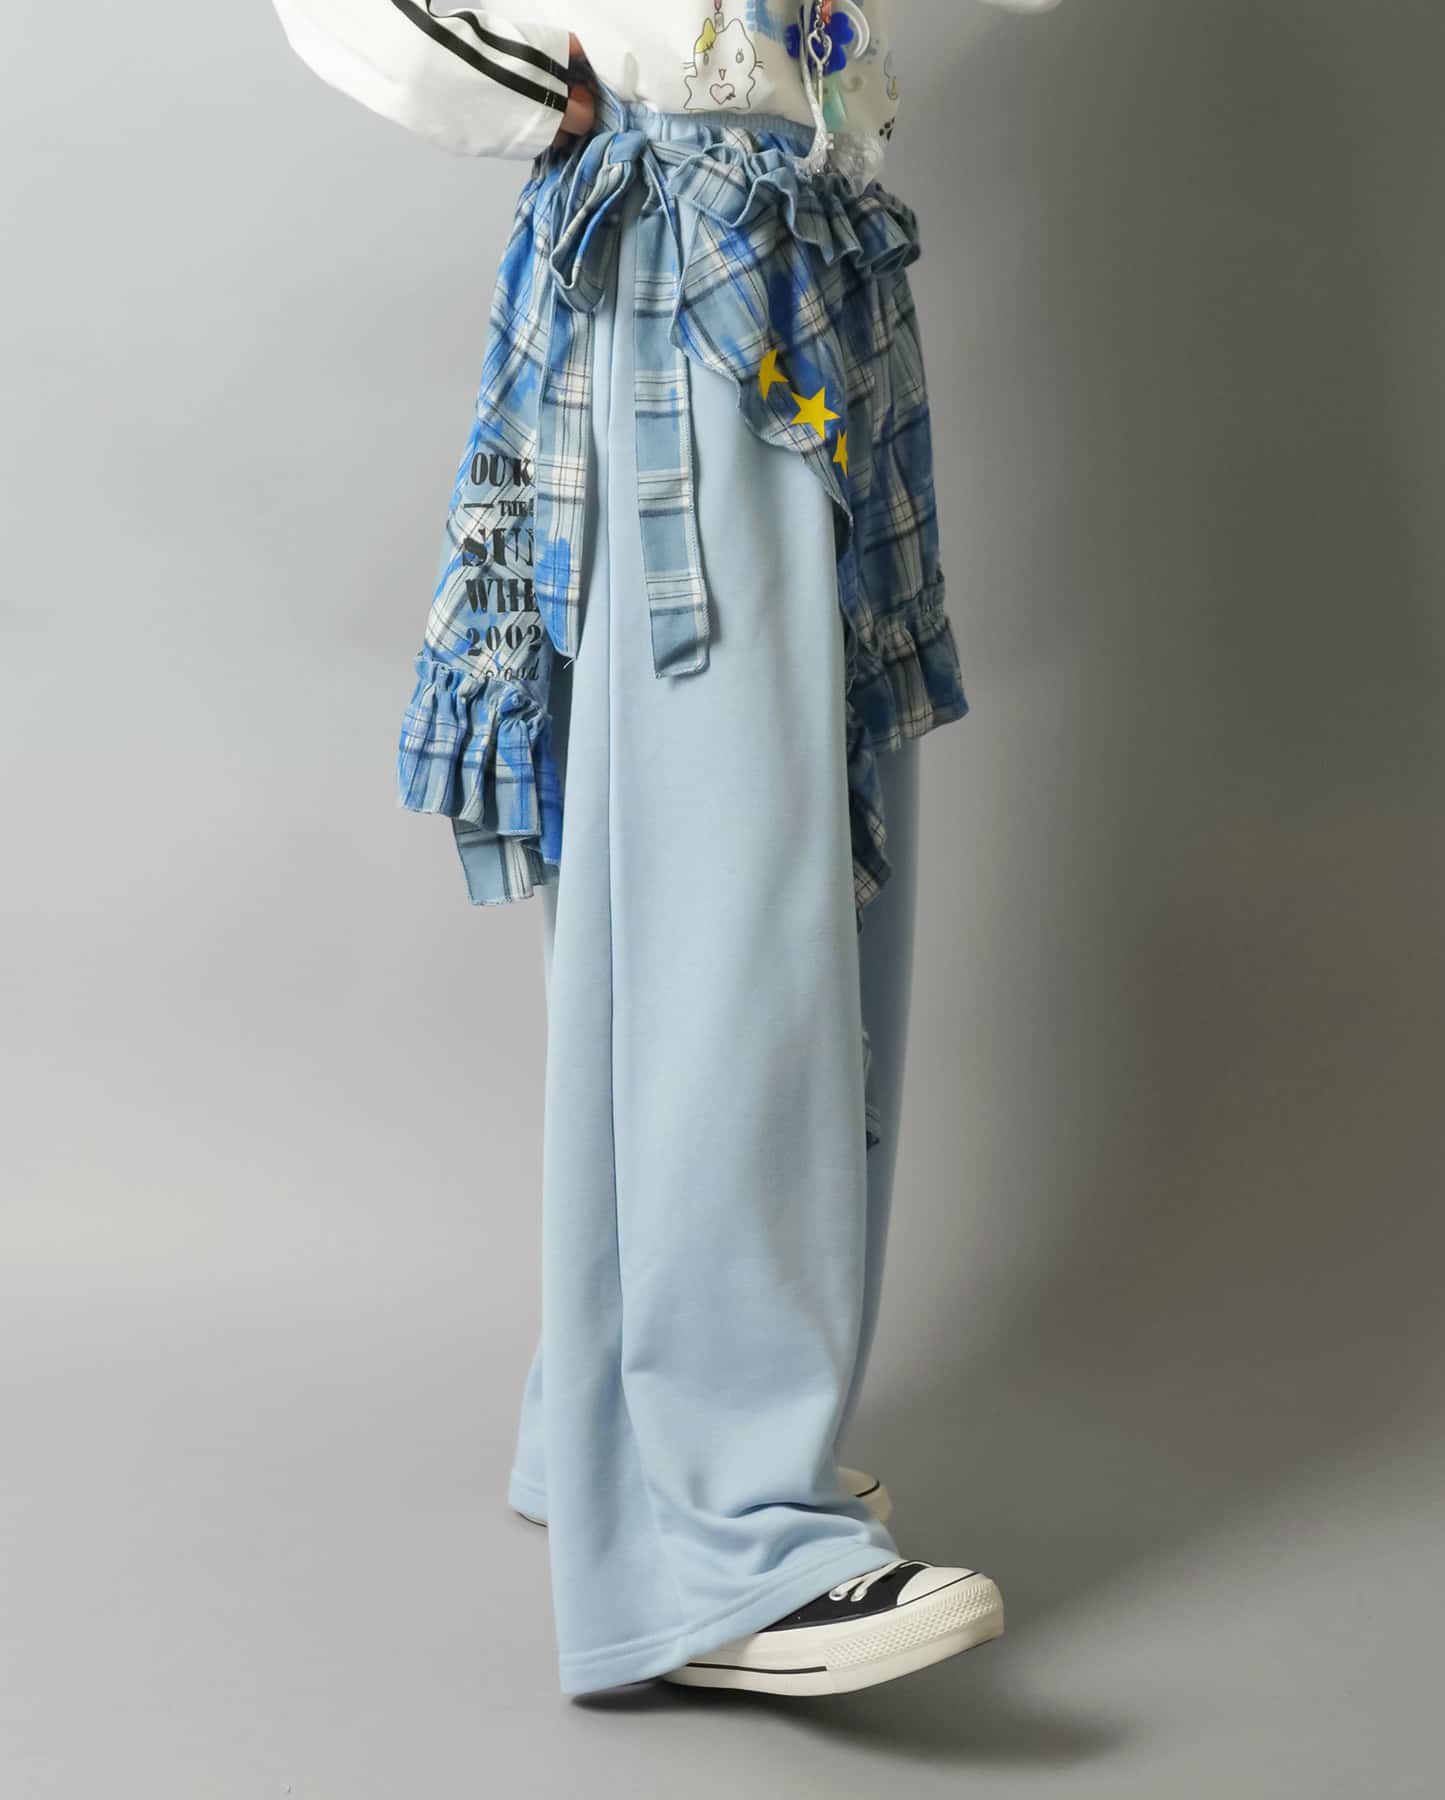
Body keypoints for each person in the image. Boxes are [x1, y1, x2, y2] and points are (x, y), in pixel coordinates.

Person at [271, 0, 1026, 1698]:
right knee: (726, 904)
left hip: (813, 244)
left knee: (803, 887)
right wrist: (535, 89)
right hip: (686, 254)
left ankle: (628, 1424)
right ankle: (720, 1532)